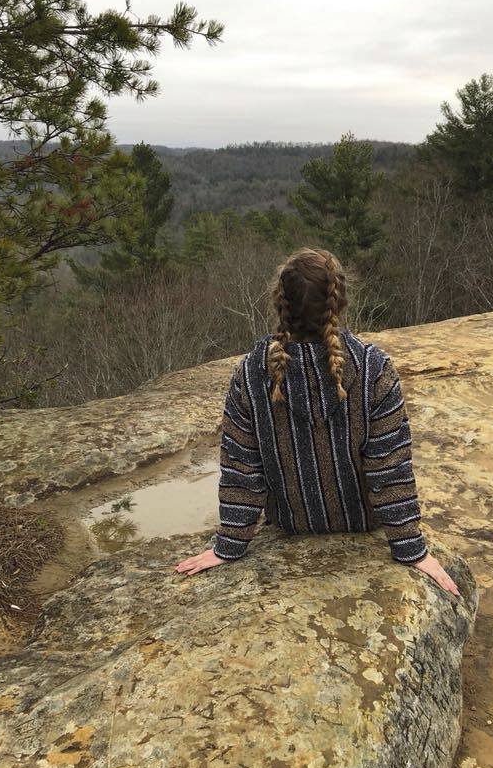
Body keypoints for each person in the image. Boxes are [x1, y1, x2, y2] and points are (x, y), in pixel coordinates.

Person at [174, 248, 459, 597]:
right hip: (360, 524)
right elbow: (389, 467)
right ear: (339, 303)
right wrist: (411, 550)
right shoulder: (374, 368)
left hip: (291, 524)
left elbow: (241, 468)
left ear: (280, 305)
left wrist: (229, 546)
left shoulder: (249, 374)